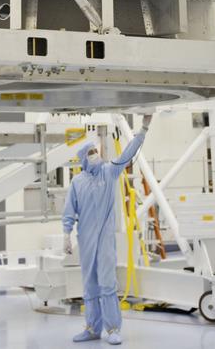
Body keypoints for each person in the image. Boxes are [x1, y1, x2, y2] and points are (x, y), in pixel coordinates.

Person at [62, 115, 153, 345]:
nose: (95, 154)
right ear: (83, 159)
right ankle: (92, 328)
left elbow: (127, 154)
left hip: (104, 241)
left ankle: (112, 329)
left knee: (107, 282)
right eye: (91, 153)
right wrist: (66, 235)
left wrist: (143, 129)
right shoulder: (77, 183)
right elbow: (69, 211)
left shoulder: (109, 172)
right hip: (86, 241)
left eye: (95, 151)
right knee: (89, 285)